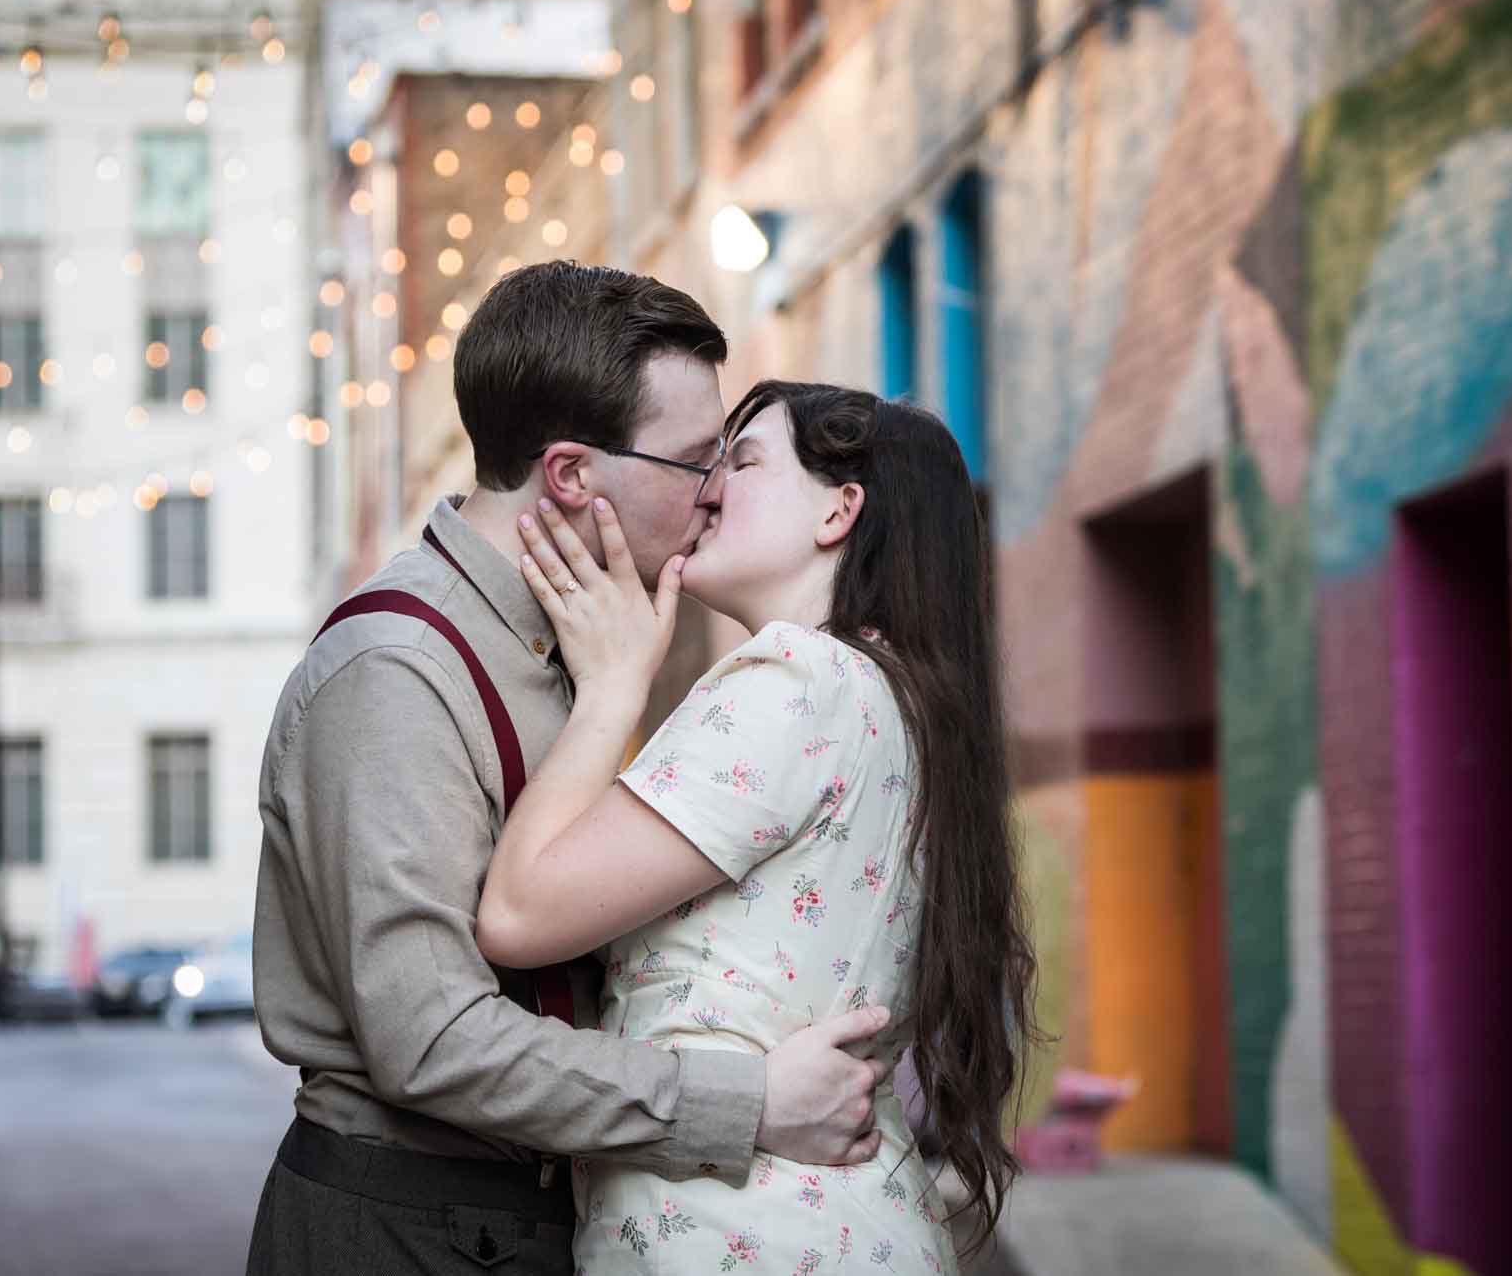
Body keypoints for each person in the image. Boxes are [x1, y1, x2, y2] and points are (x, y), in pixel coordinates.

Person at [247, 267, 892, 1276]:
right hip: (405, 1227)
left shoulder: (581, 648)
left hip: (536, 1214)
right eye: (692, 459)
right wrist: (748, 1102)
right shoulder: (393, 671)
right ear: (570, 476)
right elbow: (430, 1041)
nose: (714, 488)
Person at [476, 380, 1037, 1273]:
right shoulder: (898, 698)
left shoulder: (793, 679)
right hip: (842, 1225)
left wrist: (614, 687)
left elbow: (516, 913)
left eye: (742, 460)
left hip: (737, 1236)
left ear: (838, 512)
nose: (707, 487)